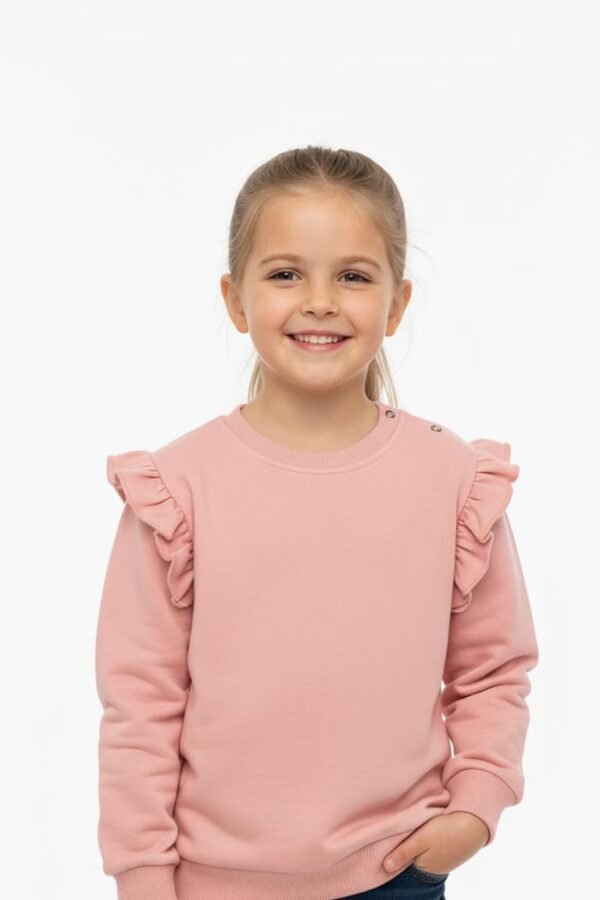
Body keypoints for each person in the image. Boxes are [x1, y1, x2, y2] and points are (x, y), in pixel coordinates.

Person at [95, 145, 539, 900]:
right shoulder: (176, 491)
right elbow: (139, 705)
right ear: (236, 300)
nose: (320, 301)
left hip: (395, 870)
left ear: (396, 304)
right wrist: (142, 874)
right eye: (285, 274)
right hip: (210, 884)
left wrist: (476, 805)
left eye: (354, 276)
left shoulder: (454, 480)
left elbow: (493, 670)